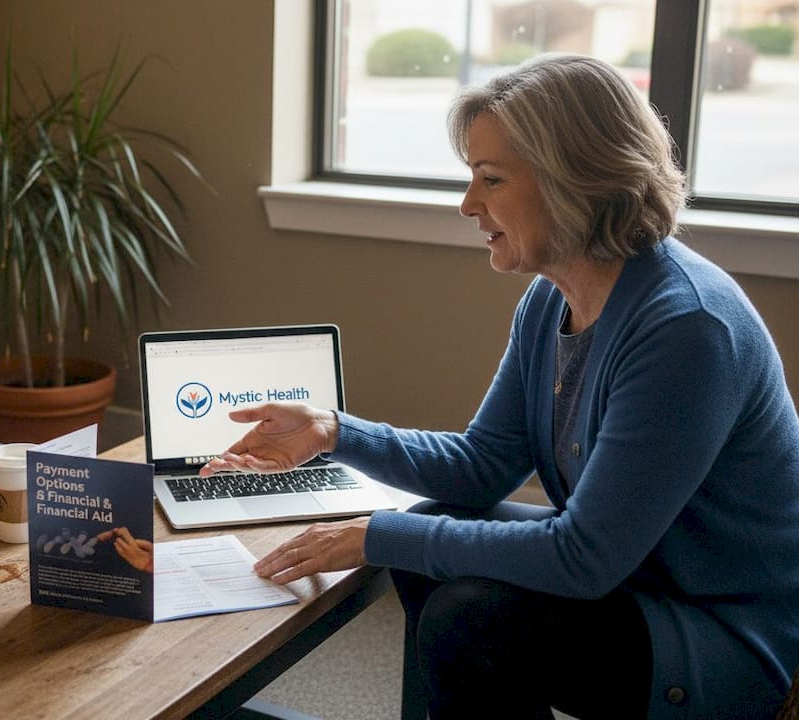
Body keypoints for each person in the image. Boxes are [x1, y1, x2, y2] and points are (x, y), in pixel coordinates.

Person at [202, 54, 799, 719]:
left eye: (491, 178)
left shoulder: (686, 328)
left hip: (722, 634)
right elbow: (482, 466)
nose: (468, 204)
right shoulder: (550, 301)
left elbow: (584, 557)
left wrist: (375, 534)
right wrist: (332, 431)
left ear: (577, 180)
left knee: (469, 618)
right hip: (636, 578)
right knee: (429, 538)